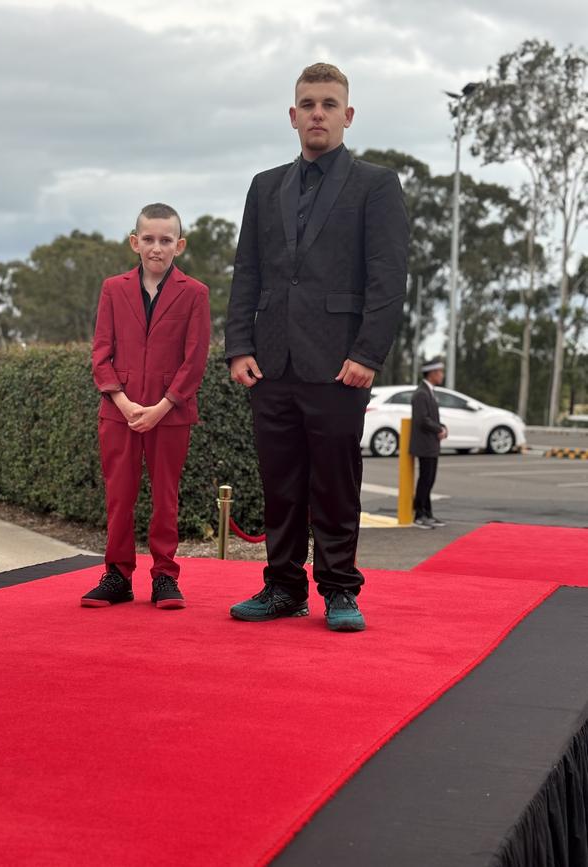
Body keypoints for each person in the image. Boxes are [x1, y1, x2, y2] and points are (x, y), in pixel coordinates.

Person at [225, 62, 409, 632]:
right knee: (280, 483)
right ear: (292, 115)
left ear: (347, 115)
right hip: (271, 362)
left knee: (334, 482)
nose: (318, 113)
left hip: (338, 365)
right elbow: (247, 272)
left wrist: (367, 354)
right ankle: (282, 588)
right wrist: (238, 346)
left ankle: (339, 590)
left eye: (329, 104)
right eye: (308, 104)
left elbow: (388, 278)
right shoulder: (264, 186)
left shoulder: (375, 185)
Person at [82, 203, 211, 608]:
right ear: (135, 242)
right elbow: (101, 353)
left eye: (166, 240)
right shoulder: (113, 289)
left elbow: (195, 361)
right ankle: (117, 576)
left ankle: (164, 577)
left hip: (170, 416)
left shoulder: (195, 294)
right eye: (150, 239)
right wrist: (122, 402)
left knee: (165, 496)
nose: (157, 247)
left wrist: (160, 407)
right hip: (117, 413)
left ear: (180, 245)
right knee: (119, 495)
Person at [409, 358, 448, 529]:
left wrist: (442, 427)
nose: (442, 375)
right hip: (424, 444)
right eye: (440, 372)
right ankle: (419, 514)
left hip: (431, 444)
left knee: (430, 479)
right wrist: (439, 429)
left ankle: (428, 513)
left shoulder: (429, 392)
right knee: (425, 479)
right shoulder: (421, 394)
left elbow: (430, 419)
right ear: (432, 373)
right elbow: (422, 420)